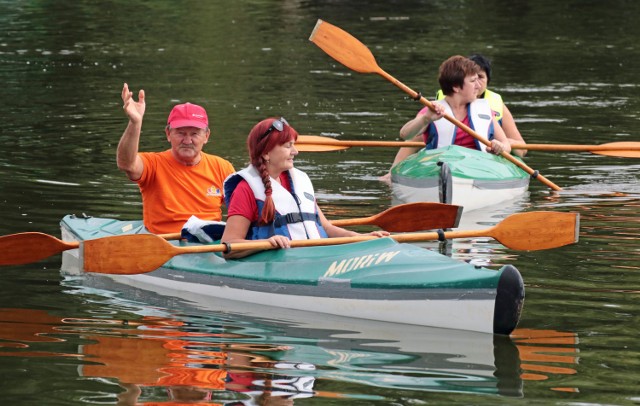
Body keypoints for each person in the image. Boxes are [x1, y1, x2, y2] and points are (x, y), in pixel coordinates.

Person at [221, 117, 389, 259]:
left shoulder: (300, 181)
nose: (296, 151)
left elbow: (326, 228)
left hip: (315, 258)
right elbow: (228, 245)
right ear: (266, 153)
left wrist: (360, 237)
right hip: (279, 265)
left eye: (294, 145)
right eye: (288, 146)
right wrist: (264, 244)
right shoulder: (246, 189)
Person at [380, 54, 523, 183]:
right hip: (438, 167)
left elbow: (506, 144)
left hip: (479, 169)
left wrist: (501, 146)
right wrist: (425, 119)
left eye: (479, 79)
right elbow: (405, 134)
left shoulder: (485, 111)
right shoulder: (432, 110)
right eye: (473, 81)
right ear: (456, 87)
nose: (478, 86)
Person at [118, 83, 235, 234]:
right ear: (168, 134)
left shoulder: (222, 167)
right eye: (180, 133)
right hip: (165, 244)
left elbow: (240, 210)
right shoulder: (153, 164)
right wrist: (135, 122)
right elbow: (126, 164)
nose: (187, 140)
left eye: (194, 134)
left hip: (210, 245)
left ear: (206, 136)